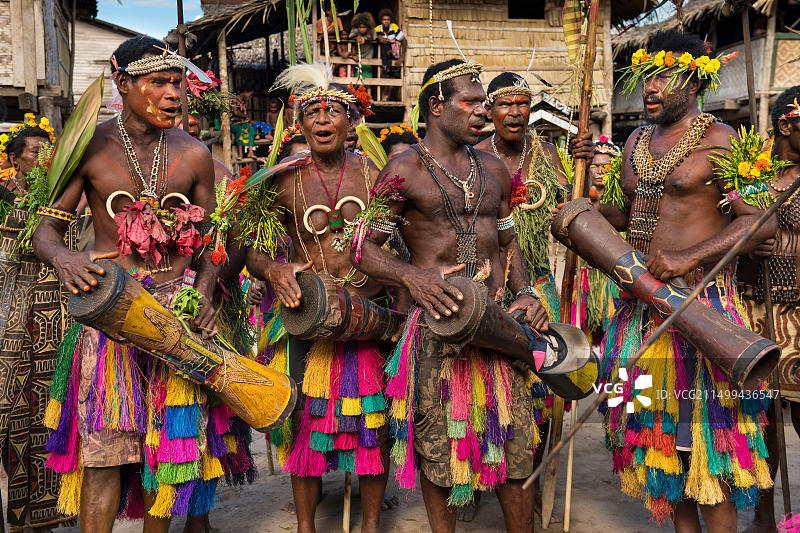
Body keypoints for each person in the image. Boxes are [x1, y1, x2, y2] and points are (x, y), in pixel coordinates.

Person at [33, 36, 240, 533]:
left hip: (177, 317)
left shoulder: (194, 155)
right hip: (109, 316)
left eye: (178, 83)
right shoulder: (89, 149)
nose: (174, 94)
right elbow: (46, 226)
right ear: (123, 84)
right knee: (104, 457)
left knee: (167, 457)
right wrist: (63, 257)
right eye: (159, 82)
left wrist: (207, 290)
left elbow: (217, 237)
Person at [584, 30, 776, 532]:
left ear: (693, 79)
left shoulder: (723, 140)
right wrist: (583, 203)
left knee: (711, 448)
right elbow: (621, 216)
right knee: (657, 442)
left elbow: (760, 223)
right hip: (637, 315)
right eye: (647, 76)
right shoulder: (632, 141)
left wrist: (689, 255)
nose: (650, 86)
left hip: (702, 308)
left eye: (664, 76)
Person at [352, 58, 549, 533]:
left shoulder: (496, 170)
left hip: (500, 324)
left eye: (484, 102)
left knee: (516, 441)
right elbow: (362, 249)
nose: (483, 111)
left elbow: (508, 242)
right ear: (437, 107)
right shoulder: (404, 169)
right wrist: (413, 277)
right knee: (440, 448)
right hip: (437, 328)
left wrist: (526, 292)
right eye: (472, 101)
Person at [246, 63, 389, 533]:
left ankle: (369, 524)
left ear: (352, 122)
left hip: (369, 312)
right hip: (306, 313)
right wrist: (275, 268)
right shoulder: (282, 178)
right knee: (303, 422)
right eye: (313, 113)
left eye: (333, 112)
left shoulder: (377, 175)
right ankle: (306, 526)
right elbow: (253, 250)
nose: (323, 121)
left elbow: (401, 240)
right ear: (300, 124)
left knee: (373, 423)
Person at [472, 72, 593, 524]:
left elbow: (571, 212)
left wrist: (579, 172)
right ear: (489, 109)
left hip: (538, 287)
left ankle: (531, 484)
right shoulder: (474, 156)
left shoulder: (546, 154)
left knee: (538, 395)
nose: (516, 113)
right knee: (485, 392)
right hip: (486, 289)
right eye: (506, 104)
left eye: (523, 104)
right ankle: (482, 480)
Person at [0, 116, 74, 532]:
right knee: (10, 414)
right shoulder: (3, 198)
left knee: (49, 409)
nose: (43, 158)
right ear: (15, 160)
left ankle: (48, 511)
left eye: (48, 152)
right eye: (34, 152)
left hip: (52, 321)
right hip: (11, 321)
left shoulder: (60, 202)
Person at [738, 85, 800, 533]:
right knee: (760, 418)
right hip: (752, 308)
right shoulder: (744, 173)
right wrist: (745, 244)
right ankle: (762, 512)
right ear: (786, 125)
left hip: (799, 312)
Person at [375, 9, 405, 77]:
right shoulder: (377, 29)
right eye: (384, 20)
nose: (386, 21)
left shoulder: (394, 27)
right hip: (382, 57)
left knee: (394, 77)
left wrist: (402, 57)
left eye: (388, 20)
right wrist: (378, 37)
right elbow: (371, 38)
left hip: (394, 56)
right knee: (382, 76)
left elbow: (404, 40)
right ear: (381, 20)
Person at [348, 12, 376, 79]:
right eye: (360, 27)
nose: (362, 29)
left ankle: (368, 89)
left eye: (364, 27)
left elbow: (375, 38)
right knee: (357, 75)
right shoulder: (355, 30)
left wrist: (365, 39)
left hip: (368, 54)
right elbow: (349, 37)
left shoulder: (372, 30)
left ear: (368, 27)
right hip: (358, 55)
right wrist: (356, 38)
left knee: (368, 75)